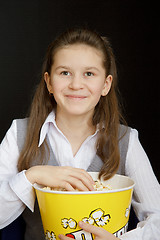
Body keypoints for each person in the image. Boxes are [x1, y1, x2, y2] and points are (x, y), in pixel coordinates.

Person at [0, 27, 159, 240]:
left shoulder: (126, 140)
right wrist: (32, 175)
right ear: (48, 82)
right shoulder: (19, 133)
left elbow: (158, 218)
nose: (76, 85)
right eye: (65, 73)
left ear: (105, 84)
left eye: (89, 74)